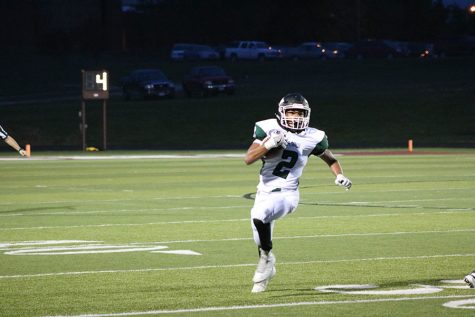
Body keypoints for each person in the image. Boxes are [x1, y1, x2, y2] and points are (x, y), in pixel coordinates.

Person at [244, 93, 352, 293]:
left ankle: (266, 260)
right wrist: (268, 144)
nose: (295, 117)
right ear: (281, 112)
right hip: (264, 192)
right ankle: (267, 264)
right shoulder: (267, 128)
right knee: (260, 237)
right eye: (291, 112)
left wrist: (339, 175)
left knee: (259, 216)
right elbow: (248, 159)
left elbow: (330, 159)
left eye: (300, 113)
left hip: (287, 194)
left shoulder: (314, 136)